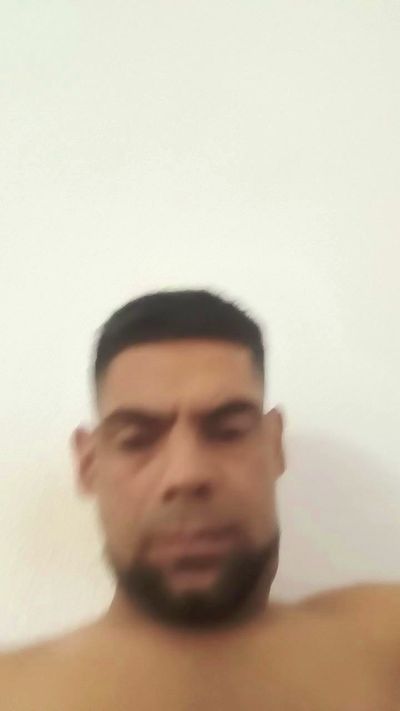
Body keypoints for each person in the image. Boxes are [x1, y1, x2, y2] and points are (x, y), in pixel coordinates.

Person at [1, 288, 399, 710]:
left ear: (274, 445)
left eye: (228, 432)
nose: (187, 474)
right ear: (88, 464)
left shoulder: (385, 647)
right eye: (136, 440)